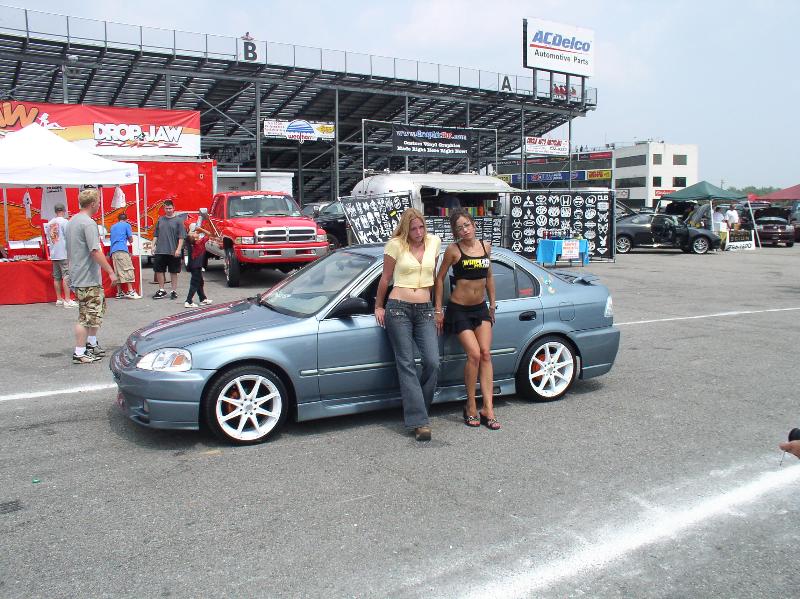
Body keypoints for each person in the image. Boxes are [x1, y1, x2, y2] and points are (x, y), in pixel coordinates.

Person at [374, 209, 441, 441]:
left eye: (421, 227)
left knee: (432, 361)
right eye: (413, 229)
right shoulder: (395, 245)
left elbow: (435, 279)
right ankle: (419, 421)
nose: (418, 232)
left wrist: (437, 308)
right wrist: (379, 306)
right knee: (406, 363)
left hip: (425, 309)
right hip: (398, 308)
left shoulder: (434, 242)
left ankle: (418, 407)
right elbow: (385, 277)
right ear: (405, 229)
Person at [434, 208, 500, 430]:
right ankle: (471, 404)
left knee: (486, 354)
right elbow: (439, 278)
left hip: (480, 308)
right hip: (459, 310)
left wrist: (492, 304)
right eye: (459, 228)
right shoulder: (453, 250)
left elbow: (489, 277)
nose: (464, 230)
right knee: (474, 354)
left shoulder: (485, 246)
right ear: (455, 232)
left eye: (467, 225)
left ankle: (488, 408)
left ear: (474, 225)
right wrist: (438, 310)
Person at [66, 188, 117, 364]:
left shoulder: (72, 221)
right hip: (87, 277)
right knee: (86, 317)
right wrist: (110, 271)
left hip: (78, 274)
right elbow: (95, 251)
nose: (99, 205)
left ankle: (90, 344)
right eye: (99, 202)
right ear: (93, 203)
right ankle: (80, 352)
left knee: (93, 313)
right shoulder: (88, 223)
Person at [151, 199, 185, 299]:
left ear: (173, 208)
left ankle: (174, 291)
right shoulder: (160, 220)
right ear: (164, 209)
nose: (168, 210)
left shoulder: (179, 221)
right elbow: (156, 235)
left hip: (173, 251)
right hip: (160, 250)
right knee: (159, 270)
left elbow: (181, 237)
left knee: (173, 272)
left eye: (170, 208)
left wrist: (178, 249)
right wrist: (153, 246)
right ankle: (161, 290)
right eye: (166, 208)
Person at [45, 203, 77, 308]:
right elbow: (69, 236)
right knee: (66, 276)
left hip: (54, 253)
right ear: (64, 210)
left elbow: (49, 237)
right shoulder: (65, 222)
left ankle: (59, 299)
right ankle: (67, 299)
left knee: (57, 277)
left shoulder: (50, 223)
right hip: (64, 252)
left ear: (55, 211)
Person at [109, 213, 141, 299]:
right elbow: (131, 239)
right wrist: (130, 240)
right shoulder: (127, 225)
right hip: (122, 249)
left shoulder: (113, 226)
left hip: (113, 250)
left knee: (117, 271)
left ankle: (119, 292)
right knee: (127, 269)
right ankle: (130, 291)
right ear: (126, 219)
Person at [184, 224, 212, 308]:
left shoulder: (190, 242)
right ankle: (188, 301)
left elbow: (189, 236)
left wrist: (196, 231)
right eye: (194, 233)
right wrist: (201, 229)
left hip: (194, 265)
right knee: (194, 284)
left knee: (200, 282)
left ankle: (203, 298)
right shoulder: (199, 243)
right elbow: (209, 234)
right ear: (195, 238)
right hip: (196, 266)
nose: (196, 233)